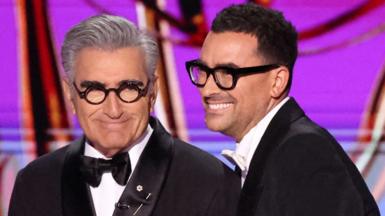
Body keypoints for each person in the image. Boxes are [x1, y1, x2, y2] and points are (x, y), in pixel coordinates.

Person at [9, 14, 240, 216]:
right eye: (94, 90)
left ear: (152, 92)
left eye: (129, 88)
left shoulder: (212, 182)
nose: (113, 110)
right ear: (71, 95)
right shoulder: (35, 182)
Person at [185, 3, 380, 216]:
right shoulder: (271, 152)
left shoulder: (303, 154)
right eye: (203, 70)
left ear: (277, 81)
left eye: (227, 72)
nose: (207, 88)